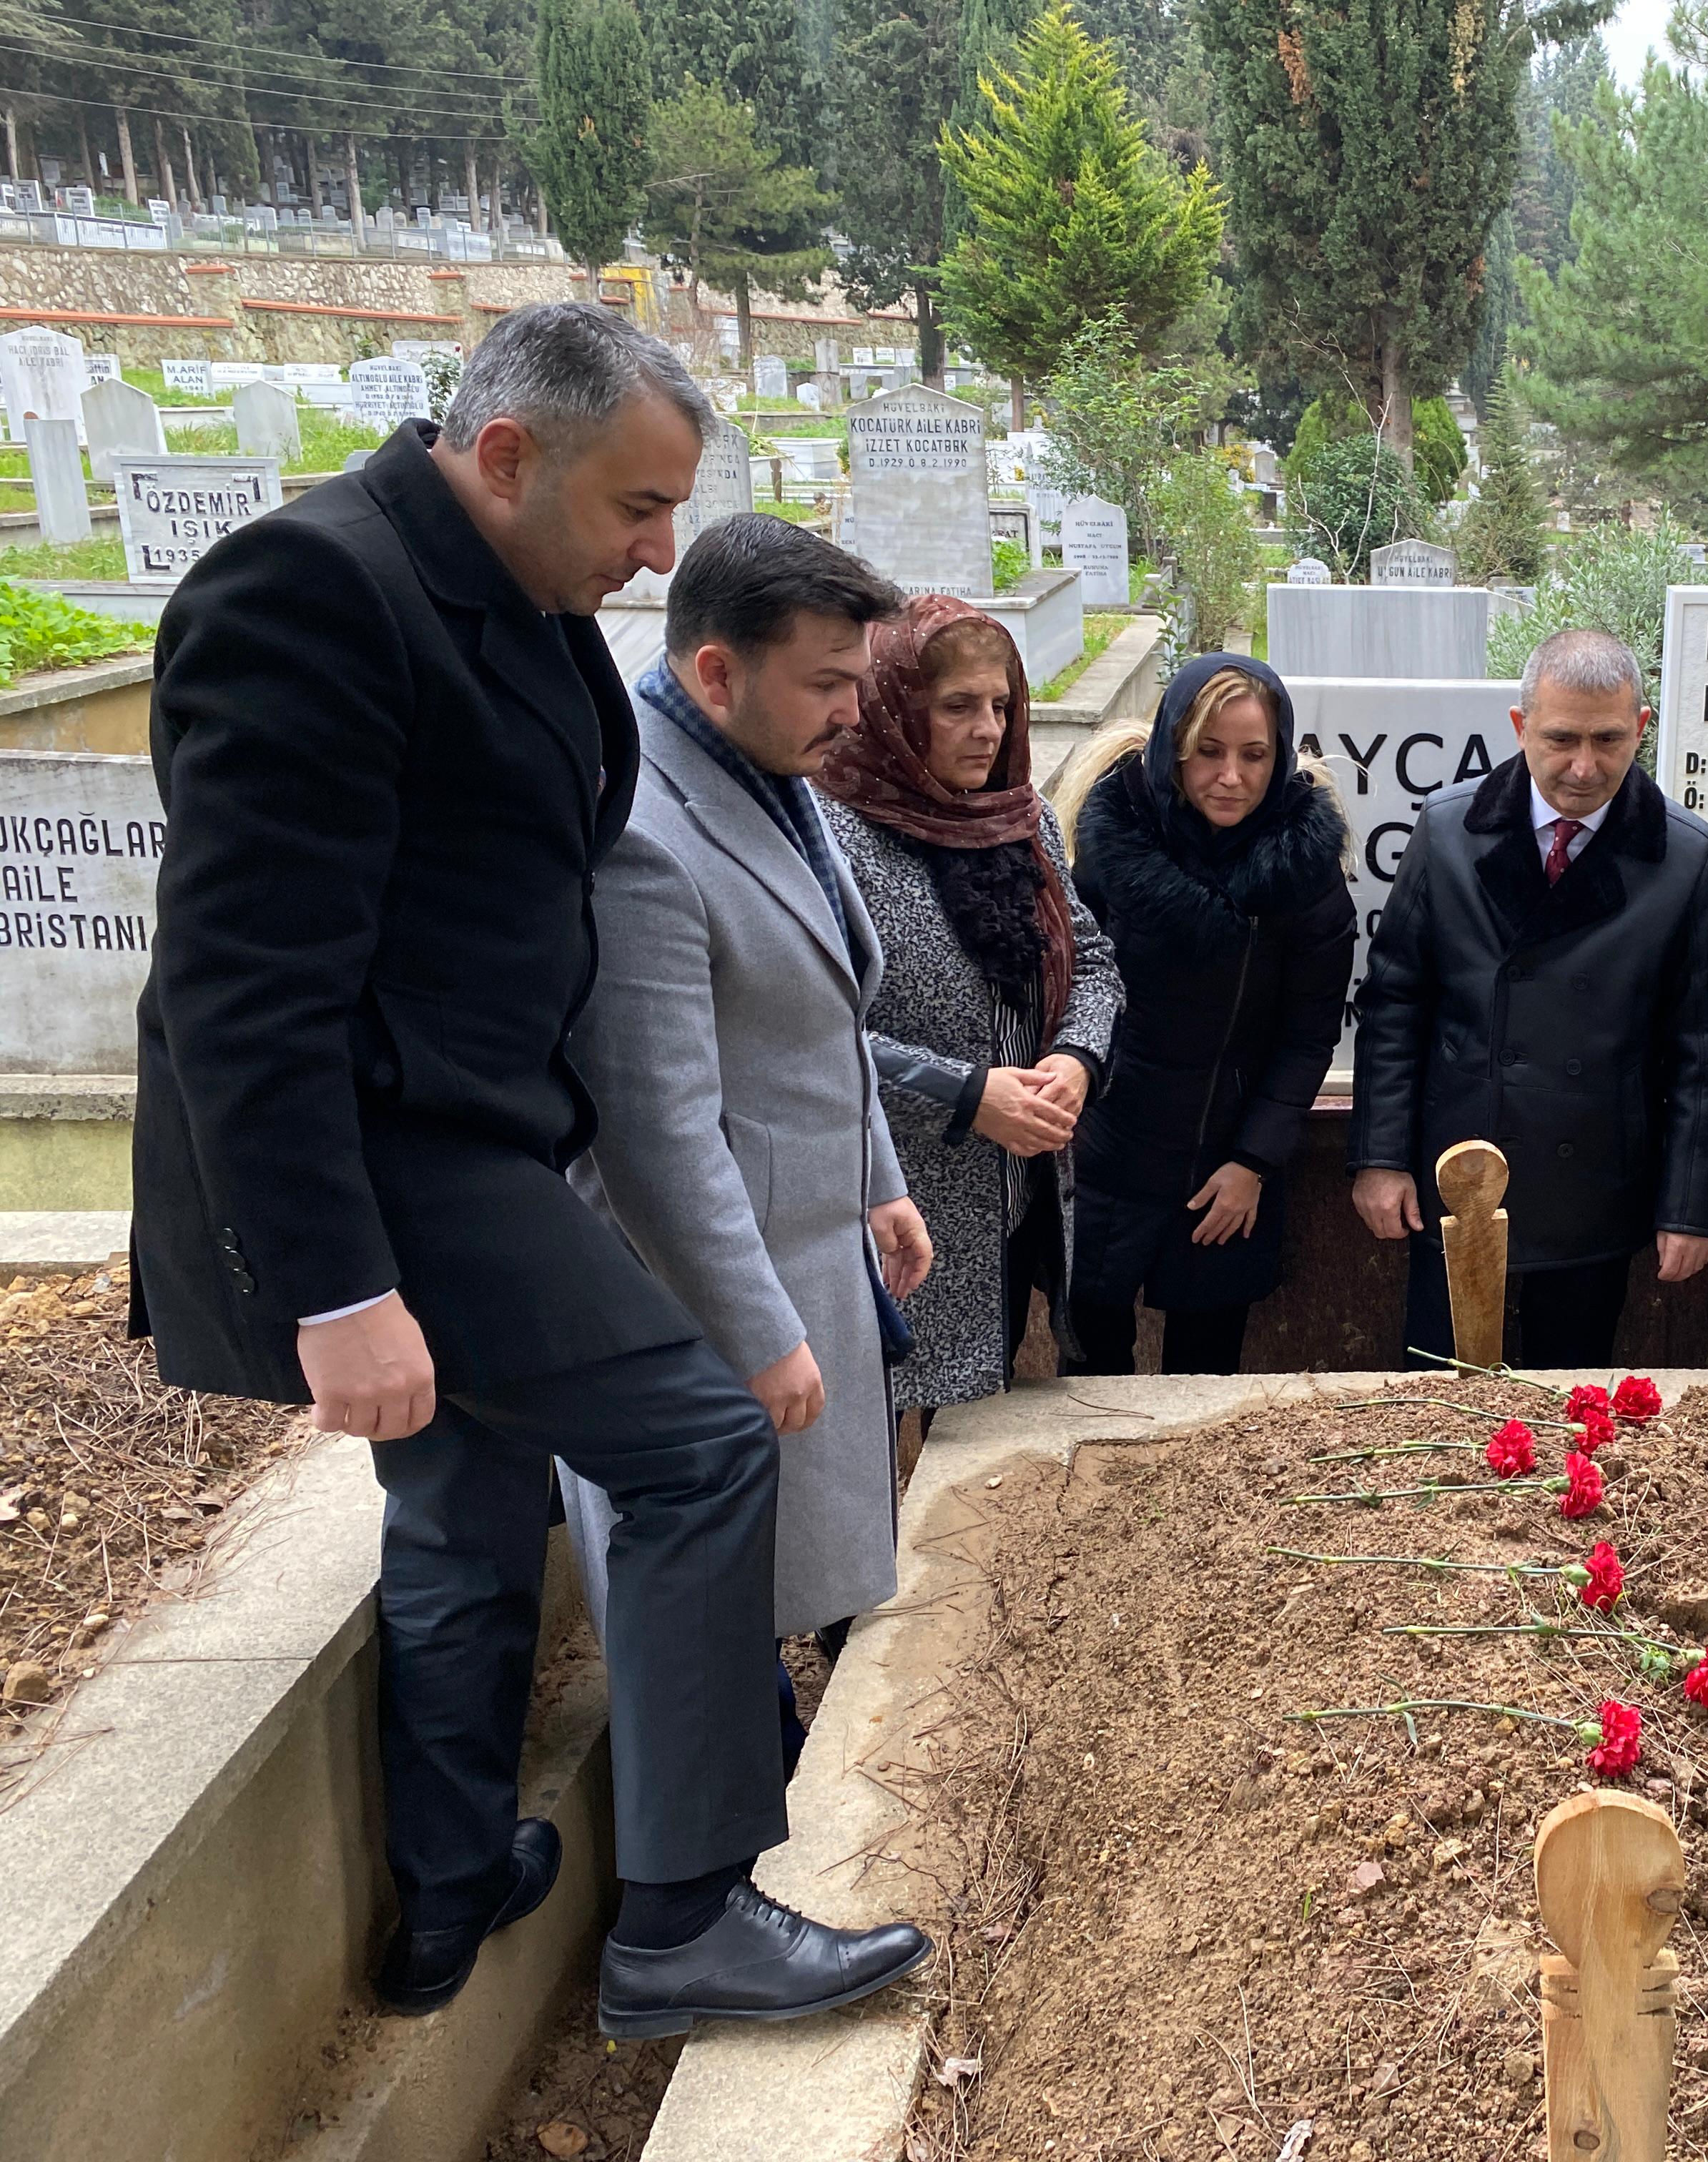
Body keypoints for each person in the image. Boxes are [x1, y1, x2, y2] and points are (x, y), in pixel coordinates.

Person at [128, 301, 927, 2038]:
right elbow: (244, 983)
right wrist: (340, 1288)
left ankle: (453, 1879)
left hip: (487, 1139)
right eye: (636, 511)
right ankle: (687, 1917)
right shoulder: (310, 594)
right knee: (706, 1445)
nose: (659, 555)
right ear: (506, 456)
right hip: (393, 1158)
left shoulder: (528, 602)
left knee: (468, 1508)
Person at [557, 515, 929, 1767]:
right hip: (715, 1297)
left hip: (813, 1242)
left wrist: (878, 1178)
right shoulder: (644, 834)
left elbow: (815, 1007)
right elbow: (655, 1133)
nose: (850, 713)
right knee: (714, 1618)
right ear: (716, 670)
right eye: (826, 683)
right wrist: (760, 1332)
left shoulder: (762, 767)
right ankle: (727, 1876)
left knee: (788, 1575)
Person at [1348, 627, 1708, 1369]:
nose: (1583, 767)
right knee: (1441, 1400)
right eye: (1560, 739)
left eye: (1608, 740)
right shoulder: (1449, 831)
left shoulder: (1683, 856)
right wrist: (1380, 1158)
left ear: (1641, 730)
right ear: (1521, 727)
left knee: (1567, 1416)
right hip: (1459, 1178)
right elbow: (1396, 1004)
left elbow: (1703, 1047)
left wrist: (1689, 1206)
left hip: (1593, 1185)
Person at [819, 598, 1122, 1411]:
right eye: (956, 706)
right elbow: (812, 1037)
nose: (987, 729)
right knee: (887, 1439)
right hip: (899, 1211)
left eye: (1000, 705)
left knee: (976, 1432)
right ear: (894, 708)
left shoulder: (1023, 823)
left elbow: (1091, 960)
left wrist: (1074, 1060)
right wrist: (967, 1095)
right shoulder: (836, 839)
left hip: (1018, 1201)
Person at [1051, 656, 1356, 1375]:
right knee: (1090, 1372)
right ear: (1172, 751)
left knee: (1205, 1373)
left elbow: (1307, 1034)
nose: (1232, 777)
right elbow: (1066, 989)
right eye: (1208, 753)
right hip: (1105, 1149)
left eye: (1255, 756)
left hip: (1226, 1161)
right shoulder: (1110, 845)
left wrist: (1253, 1160)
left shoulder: (1304, 874)